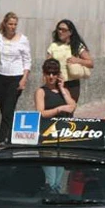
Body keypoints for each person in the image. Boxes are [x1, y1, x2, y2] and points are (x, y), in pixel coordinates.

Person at [0, 12, 31, 145]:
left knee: (8, 108)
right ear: (5, 24)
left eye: (15, 24)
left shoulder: (23, 39)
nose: (13, 27)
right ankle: (11, 136)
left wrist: (24, 78)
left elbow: (27, 60)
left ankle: (2, 140)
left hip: (16, 77)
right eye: (10, 24)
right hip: (0, 76)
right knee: (4, 109)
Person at [34, 58, 76, 192]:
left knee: (59, 180)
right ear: (44, 74)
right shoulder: (41, 91)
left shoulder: (64, 91)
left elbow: (72, 106)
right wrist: (58, 110)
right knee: (51, 180)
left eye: (54, 73)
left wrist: (62, 89)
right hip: (48, 137)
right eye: (48, 73)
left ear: (58, 75)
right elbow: (41, 112)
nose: (51, 77)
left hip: (63, 137)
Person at [46, 19, 93, 103]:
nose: (60, 32)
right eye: (59, 29)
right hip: (56, 82)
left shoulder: (77, 46)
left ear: (70, 32)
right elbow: (47, 65)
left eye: (64, 30)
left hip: (72, 84)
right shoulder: (53, 46)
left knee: (69, 109)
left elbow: (90, 63)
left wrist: (78, 60)